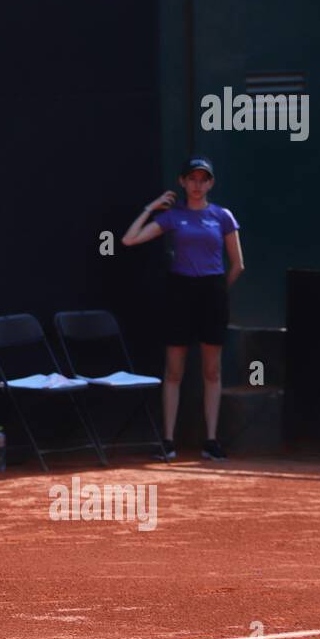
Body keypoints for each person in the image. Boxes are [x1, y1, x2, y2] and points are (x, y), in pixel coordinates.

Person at [121, 157, 244, 462]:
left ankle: (211, 440)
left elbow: (238, 264)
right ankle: (168, 440)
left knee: (211, 370)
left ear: (211, 183)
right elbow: (128, 239)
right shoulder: (173, 217)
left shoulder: (223, 216)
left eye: (204, 179)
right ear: (182, 182)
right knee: (174, 370)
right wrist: (151, 208)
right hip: (180, 293)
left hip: (212, 292)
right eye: (192, 179)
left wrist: (218, 293)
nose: (197, 185)